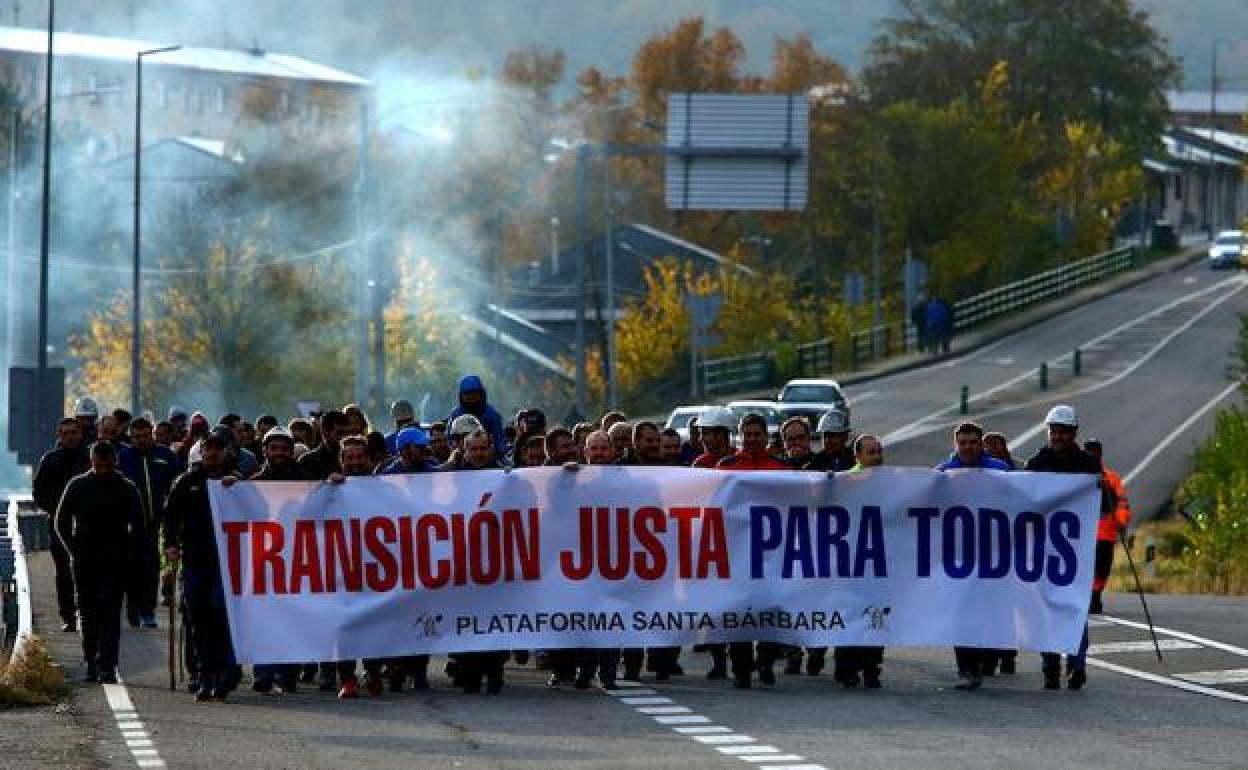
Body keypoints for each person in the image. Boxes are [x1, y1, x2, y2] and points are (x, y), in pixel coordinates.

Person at [1024, 404, 1115, 691]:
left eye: (1064, 432)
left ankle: (1077, 665)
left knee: (1076, 609)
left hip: (1076, 551)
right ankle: (1050, 667)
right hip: (1043, 551)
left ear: (1073, 433)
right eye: (1054, 431)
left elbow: (1104, 507)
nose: (1058, 436)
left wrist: (1103, 489)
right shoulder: (1037, 463)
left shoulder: (1088, 465)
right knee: (1045, 610)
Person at [54, 441, 143, 684]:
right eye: (98, 466)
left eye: (106, 465)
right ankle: (91, 660)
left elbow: (139, 525)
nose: (102, 470)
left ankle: (107, 664)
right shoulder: (78, 485)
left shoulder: (126, 488)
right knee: (88, 611)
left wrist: (129, 553)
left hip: (115, 558)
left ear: (114, 462)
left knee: (110, 611)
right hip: (84, 557)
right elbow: (61, 521)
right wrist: (73, 549)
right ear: (91, 463)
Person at [934, 422, 1010, 691]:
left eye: (972, 443)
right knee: (961, 611)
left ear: (981, 444)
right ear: (955, 445)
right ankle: (966, 669)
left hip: (993, 555)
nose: (967, 448)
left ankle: (988, 658)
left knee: (989, 610)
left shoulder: (1000, 471)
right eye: (962, 443)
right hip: (957, 557)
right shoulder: (943, 473)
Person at [164, 432, 239, 701]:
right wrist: (170, 546)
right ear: (201, 451)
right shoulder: (185, 483)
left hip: (227, 564)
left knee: (221, 618)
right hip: (195, 561)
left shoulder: (235, 482)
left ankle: (226, 673)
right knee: (198, 620)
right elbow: (170, 519)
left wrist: (238, 488)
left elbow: (259, 510)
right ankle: (204, 676)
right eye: (208, 449)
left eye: (218, 449)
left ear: (226, 453)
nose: (212, 454)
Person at [716, 414, 789, 689]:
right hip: (737, 551)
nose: (753, 439)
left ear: (765, 436)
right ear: (741, 436)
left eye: (757, 434)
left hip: (772, 552)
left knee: (770, 608)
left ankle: (767, 661)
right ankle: (742, 669)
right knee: (740, 611)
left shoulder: (782, 468)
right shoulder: (727, 467)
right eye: (748, 434)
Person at [437, 430, 511, 694]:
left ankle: (494, 670)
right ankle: (468, 671)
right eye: (473, 449)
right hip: (462, 563)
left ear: (491, 449)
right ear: (464, 451)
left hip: (495, 563)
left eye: (483, 448)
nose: (479, 454)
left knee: (493, 618)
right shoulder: (450, 479)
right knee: (465, 619)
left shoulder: (507, 478)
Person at [243, 427, 307, 695]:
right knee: (264, 618)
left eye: (284, 448)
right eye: (274, 448)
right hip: (264, 560)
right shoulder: (252, 483)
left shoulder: (306, 481)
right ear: (266, 451)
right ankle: (264, 673)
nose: (279, 453)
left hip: (297, 561)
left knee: (292, 618)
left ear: (291, 451)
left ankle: (288, 672)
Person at [118, 417, 183, 629]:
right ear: (130, 437)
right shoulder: (123, 457)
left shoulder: (165, 456)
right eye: (137, 437)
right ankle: (133, 610)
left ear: (152, 434)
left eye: (146, 436)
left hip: (157, 522)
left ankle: (148, 611)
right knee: (130, 569)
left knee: (151, 567)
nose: (142, 441)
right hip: (129, 525)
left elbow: (178, 483)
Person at [835, 434, 887, 689]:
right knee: (850, 615)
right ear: (858, 456)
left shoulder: (891, 482)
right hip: (850, 563)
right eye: (870, 452)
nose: (876, 457)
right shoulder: (846, 481)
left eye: (878, 451)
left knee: (876, 618)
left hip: (876, 564)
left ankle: (871, 668)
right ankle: (846, 668)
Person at [33, 418, 90, 632]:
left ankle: (86, 612)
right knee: (64, 571)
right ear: (59, 436)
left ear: (80, 434)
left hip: (88, 525)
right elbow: (38, 492)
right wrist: (56, 512)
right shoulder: (50, 459)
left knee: (87, 570)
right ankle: (68, 616)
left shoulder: (89, 458)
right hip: (59, 525)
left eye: (74, 432)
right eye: (65, 433)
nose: (70, 437)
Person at [1083, 439, 1131, 615]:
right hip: (1082, 533)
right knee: (1085, 567)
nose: (1092, 454)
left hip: (1105, 532)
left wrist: (1121, 521)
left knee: (1102, 567)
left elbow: (1122, 502)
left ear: (1100, 453)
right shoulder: (1077, 475)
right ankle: (1087, 597)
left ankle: (1095, 596)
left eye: (1095, 451)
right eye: (1089, 450)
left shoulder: (1111, 478)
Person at [446, 374, 508, 455]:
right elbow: (450, 440)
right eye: (467, 394)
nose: (471, 397)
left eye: (474, 393)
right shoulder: (455, 415)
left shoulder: (491, 415)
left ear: (481, 393)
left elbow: (499, 440)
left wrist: (497, 454)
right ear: (461, 396)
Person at [298, 409, 348, 480]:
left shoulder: (356, 459)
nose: (345, 438)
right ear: (325, 431)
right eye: (340, 433)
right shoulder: (308, 462)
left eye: (347, 433)